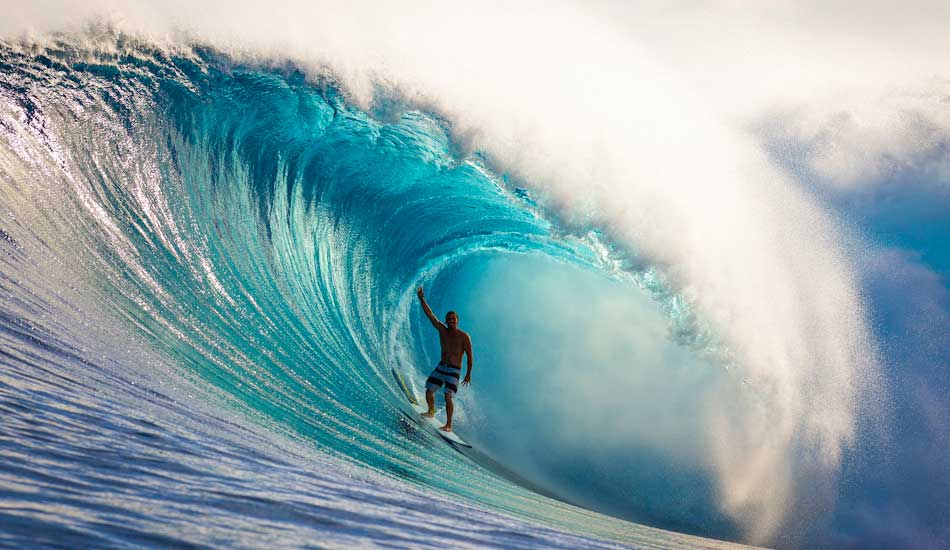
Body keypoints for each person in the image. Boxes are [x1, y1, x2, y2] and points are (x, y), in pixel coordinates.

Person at [416, 286, 472, 432]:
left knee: (448, 396)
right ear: (446, 321)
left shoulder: (464, 337)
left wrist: (468, 373)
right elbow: (430, 315)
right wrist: (422, 299)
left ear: (457, 320)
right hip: (442, 366)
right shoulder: (442, 329)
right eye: (449, 319)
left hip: (454, 370)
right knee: (429, 390)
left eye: (453, 319)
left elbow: (470, 356)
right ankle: (431, 411)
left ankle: (448, 425)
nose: (451, 321)